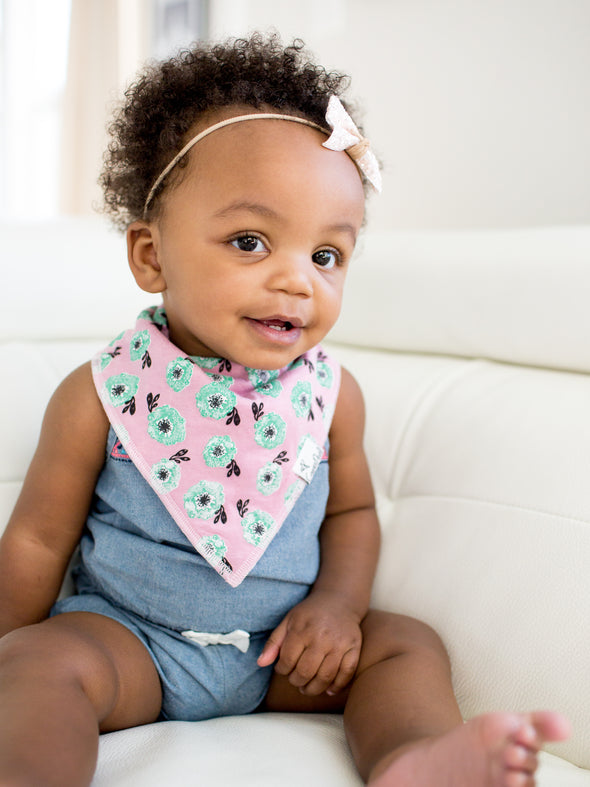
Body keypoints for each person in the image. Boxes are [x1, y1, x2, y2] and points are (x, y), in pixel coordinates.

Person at [0, 33, 569, 787]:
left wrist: (336, 605)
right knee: (39, 662)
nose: (298, 281)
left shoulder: (333, 396)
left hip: (279, 654)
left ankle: (411, 761)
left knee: (406, 643)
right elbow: (39, 540)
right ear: (151, 256)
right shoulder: (101, 390)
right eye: (250, 241)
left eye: (326, 255)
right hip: (133, 644)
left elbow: (351, 514)